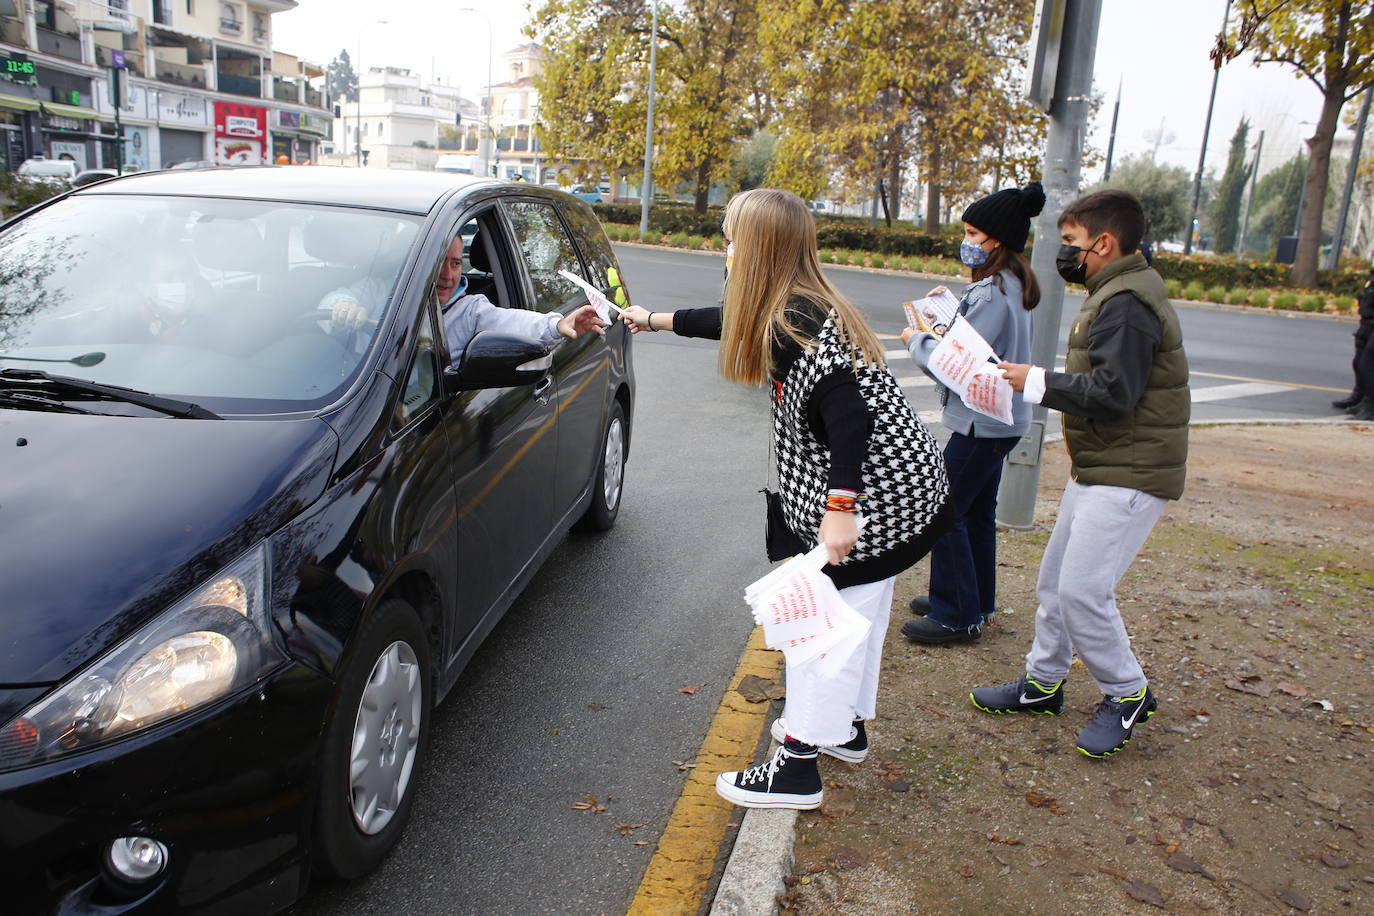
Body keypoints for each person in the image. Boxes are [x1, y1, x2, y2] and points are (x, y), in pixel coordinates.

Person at [620, 189, 952, 809]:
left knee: (818, 633)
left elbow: (850, 418)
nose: (724, 248)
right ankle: (845, 729)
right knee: (856, 621)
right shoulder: (795, 304)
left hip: (871, 497)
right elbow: (729, 320)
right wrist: (655, 320)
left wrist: (841, 507)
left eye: (729, 236)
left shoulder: (798, 320)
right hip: (903, 492)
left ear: (758, 246)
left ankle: (798, 765)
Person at [986, 189, 1189, 759]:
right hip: (1103, 467)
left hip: (1129, 472)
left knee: (1082, 591)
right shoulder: (1116, 290)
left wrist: (1035, 380)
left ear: (1104, 242)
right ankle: (1043, 683)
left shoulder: (1126, 302)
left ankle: (1126, 693)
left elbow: (1114, 393)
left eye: (1071, 243)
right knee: (1055, 584)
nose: (1064, 253)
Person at [900, 182, 1043, 645]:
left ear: (995, 240)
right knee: (977, 510)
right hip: (1003, 419)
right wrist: (949, 311)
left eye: (971, 233)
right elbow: (977, 342)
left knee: (943, 509)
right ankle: (973, 598)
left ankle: (956, 614)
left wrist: (917, 340)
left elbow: (953, 365)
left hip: (980, 420)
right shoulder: (1013, 285)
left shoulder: (990, 294)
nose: (966, 241)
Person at [327, 230, 606, 362]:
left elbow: (514, 322)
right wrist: (343, 307)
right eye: (439, 263)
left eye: (456, 263)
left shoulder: (472, 310)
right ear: (418, 262)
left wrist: (558, 325)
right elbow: (338, 298)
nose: (448, 275)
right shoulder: (382, 291)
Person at [1333, 268, 1374, 421]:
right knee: (1360, 361)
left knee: (1368, 363)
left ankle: (1370, 406)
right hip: (1368, 321)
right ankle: (1361, 398)